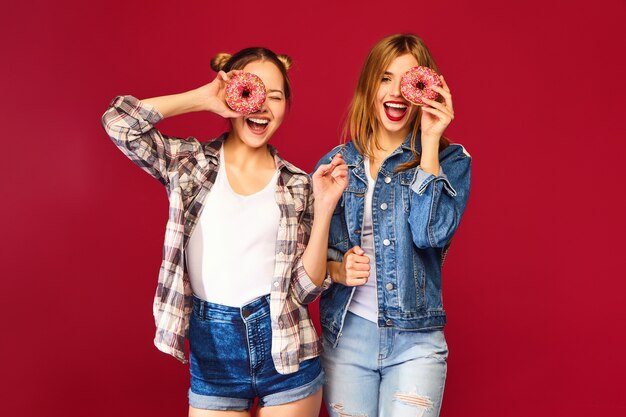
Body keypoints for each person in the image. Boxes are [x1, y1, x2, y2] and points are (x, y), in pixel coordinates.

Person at [101, 47, 348, 417]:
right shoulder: (189, 164)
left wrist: (325, 205)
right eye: (253, 92)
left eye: (276, 96)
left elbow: (305, 288)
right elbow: (119, 123)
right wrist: (203, 98)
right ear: (233, 96)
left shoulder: (298, 185)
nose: (262, 106)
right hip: (212, 349)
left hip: (285, 346)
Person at [316, 34, 471, 417]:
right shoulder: (336, 165)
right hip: (346, 336)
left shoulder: (452, 160)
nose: (397, 92)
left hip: (416, 342)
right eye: (386, 78)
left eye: (409, 81)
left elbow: (429, 233)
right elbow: (306, 265)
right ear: (369, 86)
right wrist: (337, 269)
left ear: (425, 88)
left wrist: (431, 140)